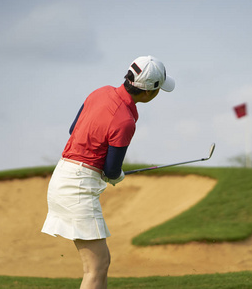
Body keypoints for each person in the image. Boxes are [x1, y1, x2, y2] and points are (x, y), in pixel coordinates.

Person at [41, 55, 175, 289]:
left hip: (63, 175)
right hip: (78, 186)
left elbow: (74, 129)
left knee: (101, 264)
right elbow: (112, 170)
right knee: (95, 267)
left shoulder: (100, 92)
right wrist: (116, 175)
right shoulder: (125, 121)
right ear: (148, 92)